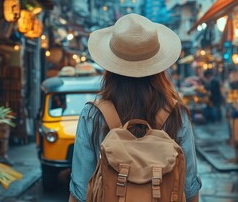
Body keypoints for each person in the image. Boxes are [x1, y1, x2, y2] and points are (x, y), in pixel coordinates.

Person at [69, 13, 201, 202]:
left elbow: (81, 189)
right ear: (158, 65)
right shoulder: (176, 113)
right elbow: (189, 187)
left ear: (111, 65)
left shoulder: (93, 114)